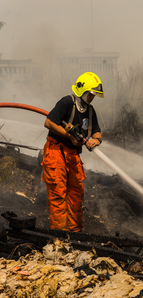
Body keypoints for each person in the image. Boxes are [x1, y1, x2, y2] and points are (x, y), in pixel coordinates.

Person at [41, 72, 104, 232]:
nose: (93, 98)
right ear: (82, 91)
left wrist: (95, 140)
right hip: (56, 151)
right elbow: (48, 122)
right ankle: (60, 238)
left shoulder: (90, 111)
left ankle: (75, 236)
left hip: (73, 154)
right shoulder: (67, 102)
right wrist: (69, 136)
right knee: (58, 194)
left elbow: (97, 132)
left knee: (76, 194)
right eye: (91, 94)